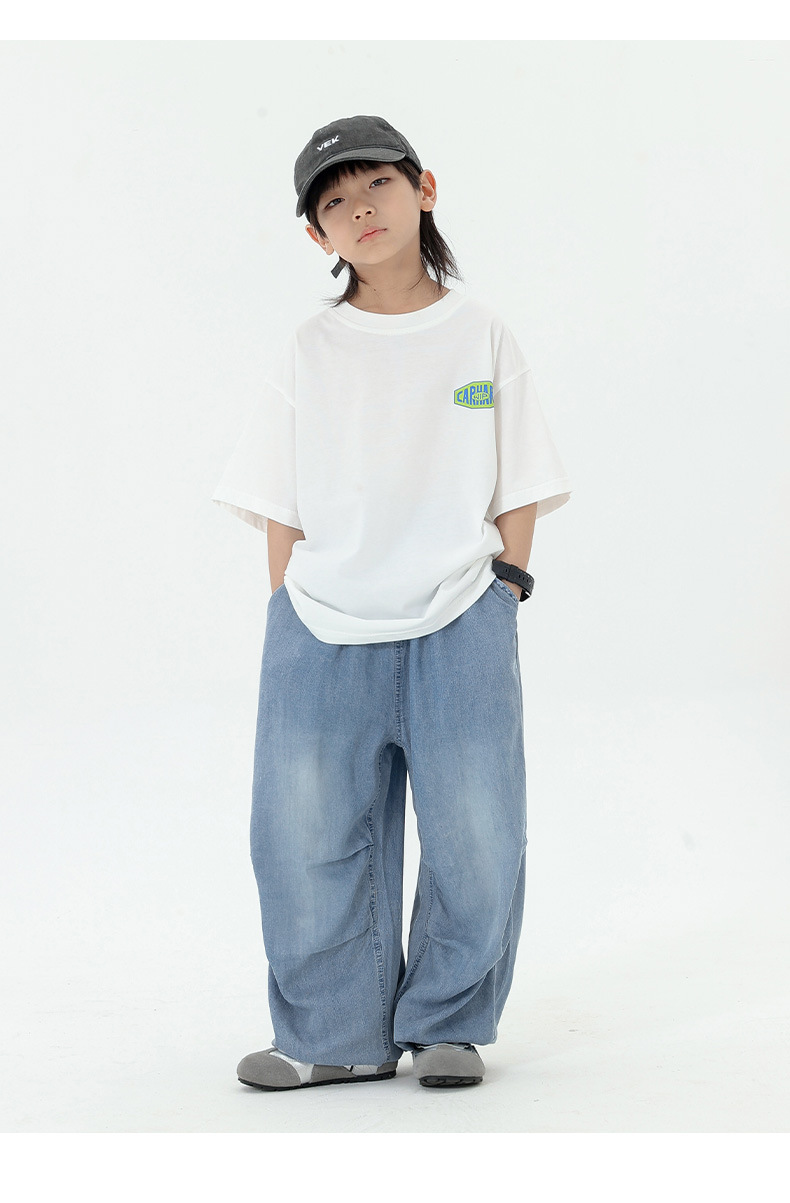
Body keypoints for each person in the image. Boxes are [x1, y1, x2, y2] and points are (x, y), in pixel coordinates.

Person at [211, 114, 573, 1091]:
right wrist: (287, 605)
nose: (360, 207)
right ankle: (336, 1035)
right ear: (315, 234)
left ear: (425, 188)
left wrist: (506, 589)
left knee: (477, 831)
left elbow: (520, 475)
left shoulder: (481, 331)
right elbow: (278, 495)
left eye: (376, 182)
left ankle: (449, 1022)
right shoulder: (309, 347)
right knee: (305, 836)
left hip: (461, 612)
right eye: (334, 200)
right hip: (321, 621)